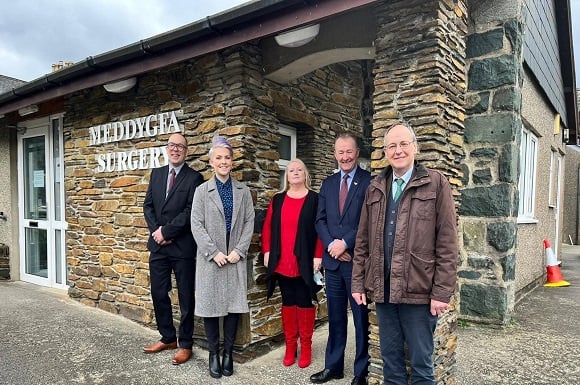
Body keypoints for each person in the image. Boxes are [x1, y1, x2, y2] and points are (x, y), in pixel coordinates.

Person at [351, 122, 458, 385]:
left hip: (419, 292)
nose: (397, 150)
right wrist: (358, 282)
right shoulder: (375, 187)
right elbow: (362, 240)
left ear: (415, 147)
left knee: (422, 364)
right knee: (391, 362)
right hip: (384, 291)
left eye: (403, 144)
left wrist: (441, 292)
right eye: (391, 146)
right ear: (385, 151)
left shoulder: (436, 184)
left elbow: (447, 242)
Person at [190, 135, 255, 379]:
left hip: (234, 258)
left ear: (232, 161)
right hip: (212, 260)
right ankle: (213, 354)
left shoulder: (243, 191)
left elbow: (249, 222)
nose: (224, 161)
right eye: (219, 158)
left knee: (232, 308)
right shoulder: (201, 191)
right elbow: (196, 224)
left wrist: (239, 250)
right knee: (211, 308)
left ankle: (228, 353)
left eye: (227, 157)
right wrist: (213, 252)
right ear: (211, 162)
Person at [310, 133, 372, 385]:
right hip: (333, 264)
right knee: (335, 319)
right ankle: (333, 367)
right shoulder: (328, 183)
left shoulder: (369, 182)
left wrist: (345, 242)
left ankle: (361, 372)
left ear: (357, 153)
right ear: (335, 154)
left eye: (349, 152)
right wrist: (332, 246)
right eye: (340, 152)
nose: (345, 157)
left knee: (360, 320)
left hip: (356, 263)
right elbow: (320, 220)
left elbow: (369, 221)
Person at [142, 133, 204, 365]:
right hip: (158, 246)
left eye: (180, 146)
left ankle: (185, 343)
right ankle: (168, 336)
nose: (175, 149)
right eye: (172, 145)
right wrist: (157, 232)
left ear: (186, 151)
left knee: (186, 296)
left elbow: (191, 211)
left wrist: (167, 232)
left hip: (182, 247)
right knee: (158, 292)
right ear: (166, 149)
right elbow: (148, 206)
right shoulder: (157, 174)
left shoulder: (194, 178)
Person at [261, 158, 323, 369]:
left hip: (305, 261)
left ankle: (306, 346)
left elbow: (320, 229)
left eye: (299, 169)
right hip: (282, 260)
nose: (295, 172)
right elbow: (268, 227)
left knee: (305, 302)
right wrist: (267, 251)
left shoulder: (315, 199)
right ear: (286, 175)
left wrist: (318, 255)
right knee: (288, 302)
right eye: (291, 170)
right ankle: (290, 346)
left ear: (306, 174)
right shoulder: (277, 199)